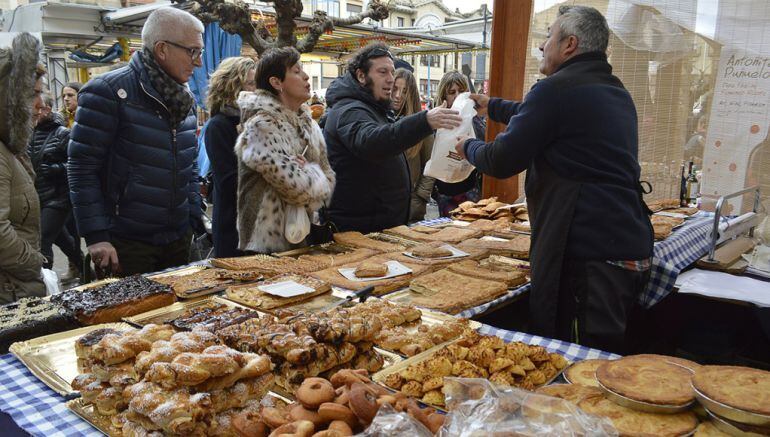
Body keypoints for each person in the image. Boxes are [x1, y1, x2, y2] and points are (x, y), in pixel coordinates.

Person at [455, 5, 653, 354]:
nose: (541, 45)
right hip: (623, 243)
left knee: (576, 359)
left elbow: (501, 160)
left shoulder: (556, 90)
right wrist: (493, 106)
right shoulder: (612, 89)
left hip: (586, 256)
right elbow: (538, 115)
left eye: (548, 37)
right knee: (605, 356)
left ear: (569, 44)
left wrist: (466, 146)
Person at [68, 7, 205, 277]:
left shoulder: (184, 99)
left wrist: (192, 215)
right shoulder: (108, 92)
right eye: (193, 51)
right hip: (126, 243)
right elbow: (81, 168)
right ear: (162, 49)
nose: (199, 62)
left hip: (177, 238)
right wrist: (96, 235)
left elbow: (188, 165)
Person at [323, 42, 462, 233]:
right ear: (361, 76)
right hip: (358, 229)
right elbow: (373, 143)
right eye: (382, 72)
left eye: (392, 72)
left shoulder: (374, 107)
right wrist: (424, 121)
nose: (390, 79)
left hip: (379, 226)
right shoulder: (349, 110)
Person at [235, 47, 335, 253]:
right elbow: (296, 190)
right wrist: (313, 175)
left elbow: (329, 180)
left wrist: (308, 174)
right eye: (296, 71)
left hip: (302, 238)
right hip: (265, 246)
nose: (306, 76)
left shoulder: (309, 125)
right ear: (276, 82)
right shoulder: (261, 126)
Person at [0, 33, 47, 303]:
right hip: (10, 292)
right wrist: (34, 263)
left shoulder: (12, 149)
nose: (41, 104)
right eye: (33, 94)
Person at [204, 56, 257, 258]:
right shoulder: (219, 125)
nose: (256, 90)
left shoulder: (256, 122)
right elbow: (229, 182)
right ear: (231, 87)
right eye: (251, 84)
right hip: (234, 230)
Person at [28, 92, 84, 279]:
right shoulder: (29, 133)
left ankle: (45, 284)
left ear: (48, 109)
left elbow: (77, 164)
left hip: (58, 198)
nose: (36, 112)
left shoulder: (63, 133)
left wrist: (56, 168)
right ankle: (87, 270)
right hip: (38, 197)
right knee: (64, 241)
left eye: (40, 108)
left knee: (42, 241)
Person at [433, 71, 486, 217]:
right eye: (452, 92)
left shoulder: (475, 119)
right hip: (445, 191)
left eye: (461, 91)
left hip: (470, 188)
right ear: (444, 96)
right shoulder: (436, 121)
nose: (457, 95)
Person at [391, 68, 434, 223]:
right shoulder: (379, 120)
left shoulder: (421, 124)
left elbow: (431, 164)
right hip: (385, 203)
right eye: (395, 89)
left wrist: (420, 196)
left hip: (411, 205)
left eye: (404, 91)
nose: (398, 96)